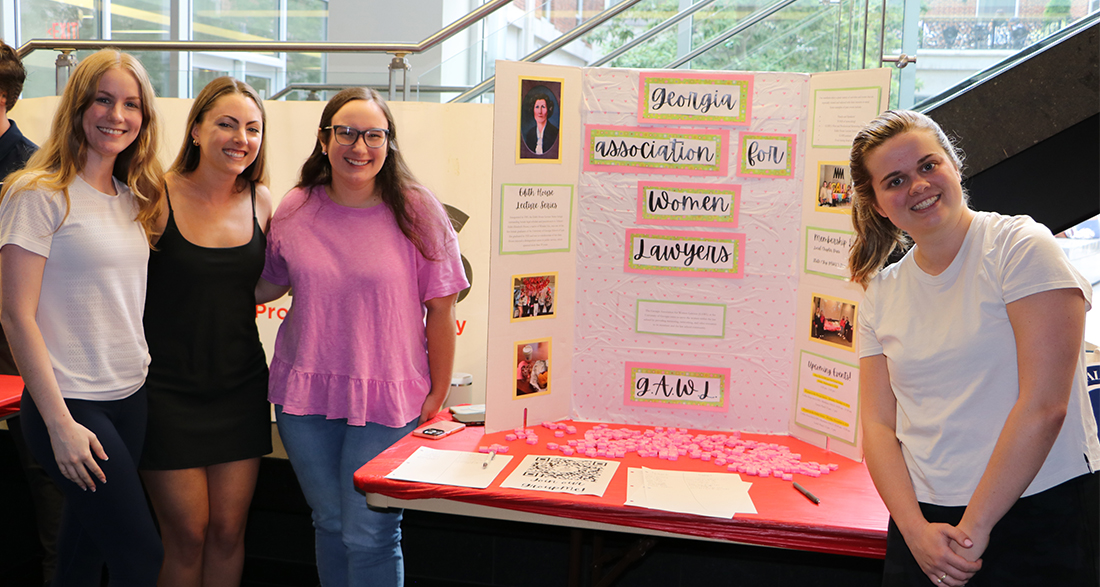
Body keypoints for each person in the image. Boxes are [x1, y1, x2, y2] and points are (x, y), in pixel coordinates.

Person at [849, 110, 1099, 586]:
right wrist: (914, 530)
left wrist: (974, 527)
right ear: (879, 203)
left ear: (954, 165)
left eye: (928, 165)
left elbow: (1045, 406)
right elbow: (879, 426)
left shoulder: (1019, 247)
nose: (918, 185)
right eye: (895, 180)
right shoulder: (882, 290)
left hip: (1037, 513)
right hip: (923, 526)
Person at [255, 87, 468, 587]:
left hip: (389, 398)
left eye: (374, 134)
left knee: (370, 534)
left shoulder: (417, 210)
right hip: (304, 398)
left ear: (389, 143)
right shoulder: (295, 206)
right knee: (330, 524)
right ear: (324, 139)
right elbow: (268, 282)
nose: (359, 146)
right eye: (346, 132)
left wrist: (436, 394)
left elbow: (441, 309)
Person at [0, 48, 165, 584]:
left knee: (82, 553)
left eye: (131, 104)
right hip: (70, 406)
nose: (117, 115)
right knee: (141, 556)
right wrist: (58, 424)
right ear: (78, 105)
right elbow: (14, 315)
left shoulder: (133, 196)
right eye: (103, 99)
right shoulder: (36, 193)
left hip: (129, 398)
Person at [139, 76, 273, 587]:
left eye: (253, 128)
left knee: (226, 533)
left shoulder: (262, 201)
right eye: (227, 124)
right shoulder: (153, 193)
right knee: (187, 535)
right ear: (196, 130)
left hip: (239, 386)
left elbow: (262, 286)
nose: (241, 137)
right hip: (165, 390)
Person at [521, 86, 558, 158]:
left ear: (548, 110)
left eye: (543, 107)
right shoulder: (530, 134)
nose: (540, 112)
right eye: (537, 107)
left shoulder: (555, 133)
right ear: (533, 109)